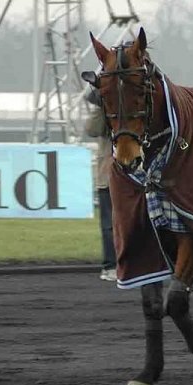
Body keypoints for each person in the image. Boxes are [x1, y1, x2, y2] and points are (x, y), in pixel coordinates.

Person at [84, 87, 117, 281]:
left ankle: (119, 265)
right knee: (109, 224)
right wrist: (100, 107)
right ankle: (111, 265)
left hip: (129, 176)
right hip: (108, 175)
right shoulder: (106, 110)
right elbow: (92, 129)